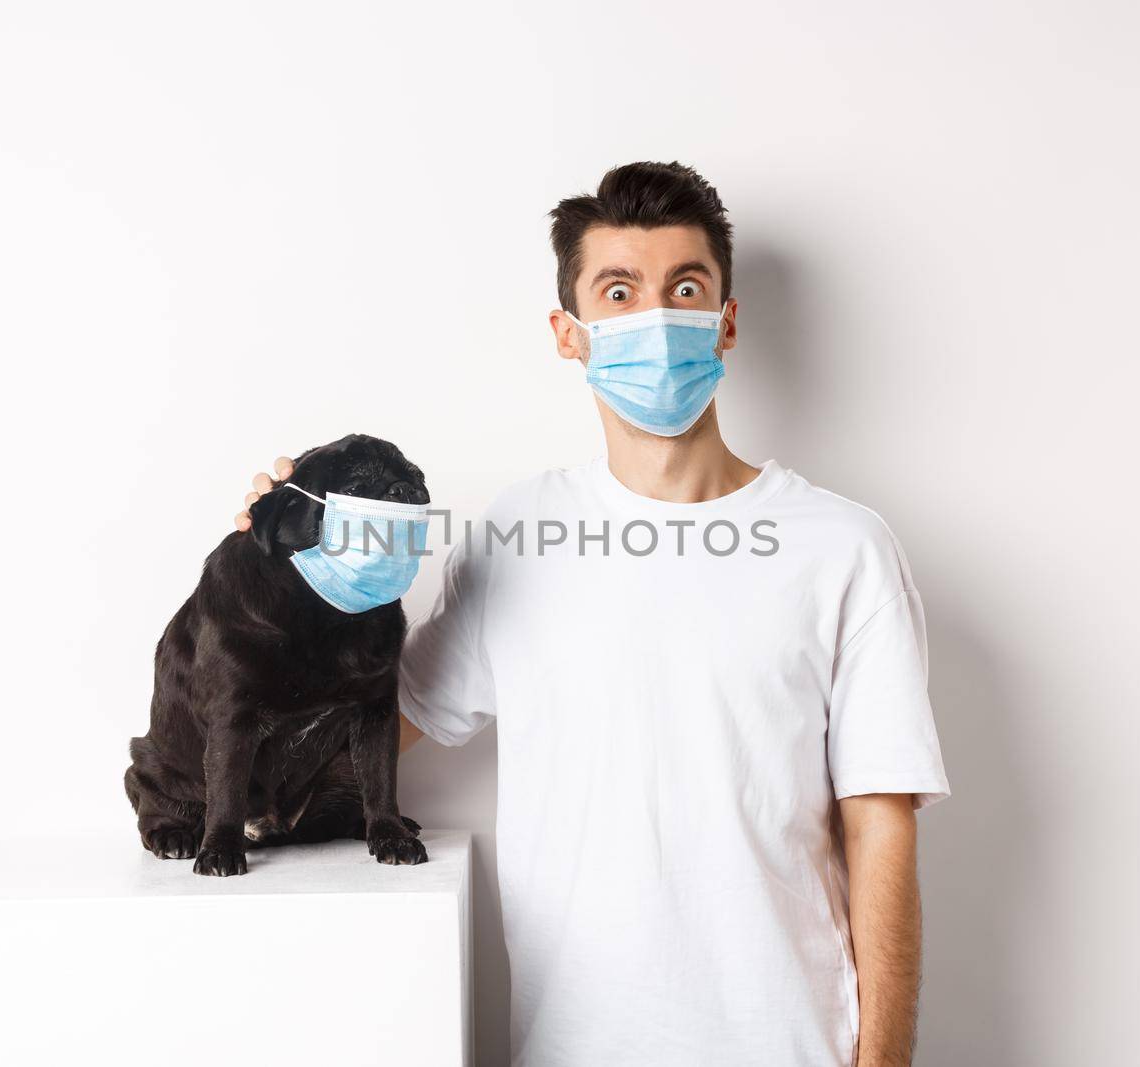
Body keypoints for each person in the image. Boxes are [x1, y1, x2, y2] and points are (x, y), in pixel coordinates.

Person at [238, 161, 949, 1067]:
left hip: (790, 1041)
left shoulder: (843, 547)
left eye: (684, 287)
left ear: (726, 320)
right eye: (618, 291)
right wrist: (294, 585)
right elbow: (355, 748)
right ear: (569, 334)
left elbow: (881, 823)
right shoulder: (515, 534)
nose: (654, 318)